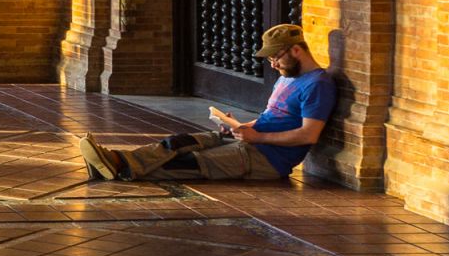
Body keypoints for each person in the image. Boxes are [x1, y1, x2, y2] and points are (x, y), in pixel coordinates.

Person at [74, 24, 335, 182]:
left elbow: (308, 135)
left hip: (267, 159)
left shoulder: (317, 84)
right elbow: (273, 117)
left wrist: (258, 137)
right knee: (180, 142)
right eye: (270, 60)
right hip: (252, 140)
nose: (273, 65)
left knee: (191, 163)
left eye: (275, 57)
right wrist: (240, 126)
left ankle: (116, 165)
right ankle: (116, 160)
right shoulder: (287, 77)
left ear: (296, 50)